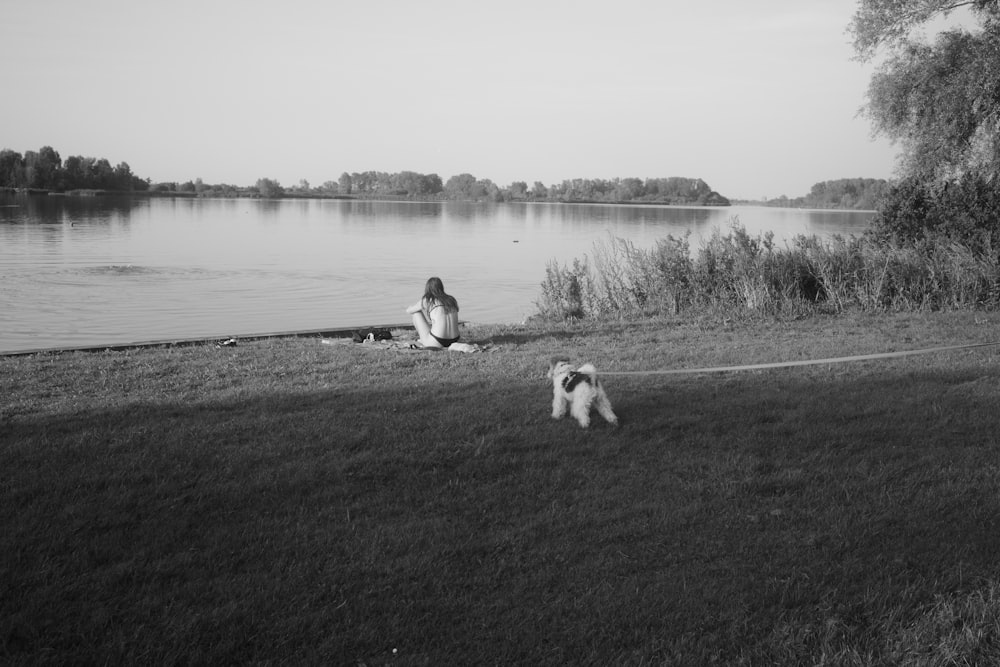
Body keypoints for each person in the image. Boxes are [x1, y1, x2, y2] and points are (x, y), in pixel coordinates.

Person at [406, 277, 460, 348]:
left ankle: (424, 339)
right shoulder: (451, 299)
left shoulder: (428, 300)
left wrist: (410, 307)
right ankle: (427, 339)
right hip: (455, 340)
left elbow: (409, 311)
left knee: (416, 313)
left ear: (428, 288)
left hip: (436, 341)